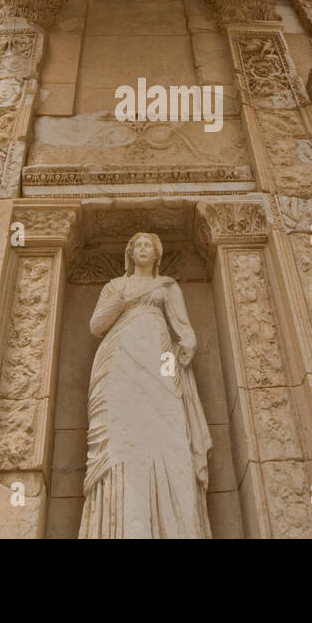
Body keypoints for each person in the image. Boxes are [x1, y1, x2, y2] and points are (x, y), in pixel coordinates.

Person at [78, 231, 212, 538]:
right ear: (130, 253)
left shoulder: (167, 286)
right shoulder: (116, 286)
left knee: (169, 430)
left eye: (148, 246)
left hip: (160, 358)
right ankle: (121, 526)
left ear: (156, 255)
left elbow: (183, 327)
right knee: (120, 440)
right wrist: (121, 301)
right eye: (137, 245)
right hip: (118, 360)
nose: (142, 249)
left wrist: (188, 344)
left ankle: (175, 525)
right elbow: (96, 325)